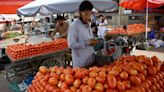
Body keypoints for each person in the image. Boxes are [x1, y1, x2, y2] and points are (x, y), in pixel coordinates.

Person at [67, 0, 98, 68]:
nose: (87, 17)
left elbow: (89, 39)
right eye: (86, 14)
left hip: (90, 60)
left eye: (89, 14)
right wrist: (88, 42)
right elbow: (70, 44)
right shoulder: (74, 26)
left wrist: (93, 41)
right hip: (81, 63)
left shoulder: (87, 25)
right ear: (80, 13)